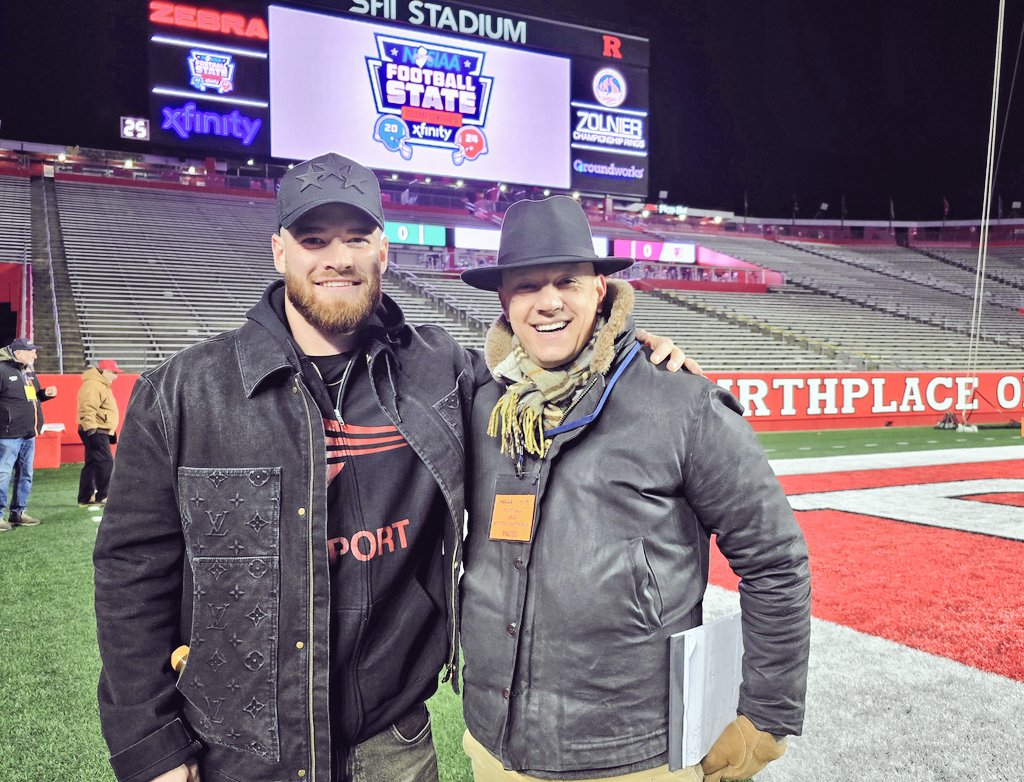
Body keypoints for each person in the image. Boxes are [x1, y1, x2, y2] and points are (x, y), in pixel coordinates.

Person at [92, 152, 692, 782]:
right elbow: (131, 572)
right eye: (314, 239)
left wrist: (628, 353)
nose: (338, 258)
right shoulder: (183, 392)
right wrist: (152, 744)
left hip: (393, 743)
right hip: (237, 749)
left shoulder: (440, 370)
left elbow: (550, 365)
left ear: (383, 251)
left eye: (356, 238)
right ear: (279, 252)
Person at [458, 196, 811, 782]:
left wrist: (766, 721)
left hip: (633, 754)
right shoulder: (484, 405)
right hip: (496, 747)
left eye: (566, 280)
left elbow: (775, 560)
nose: (548, 302)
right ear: (504, 300)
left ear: (599, 289)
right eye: (526, 285)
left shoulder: (681, 401)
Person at [0, 337, 56, 531]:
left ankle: (18, 513)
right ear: (18, 353)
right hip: (8, 435)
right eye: (31, 351)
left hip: (28, 434)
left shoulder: (28, 372)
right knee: (3, 475)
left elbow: (32, 397)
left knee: (26, 474)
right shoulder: (1, 370)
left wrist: (44, 395)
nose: (35, 354)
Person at [77, 358, 123, 507]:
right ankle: (103, 495)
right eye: (114, 373)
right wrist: (91, 430)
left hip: (96, 428)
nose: (116, 376)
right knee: (105, 462)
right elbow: (87, 408)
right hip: (96, 429)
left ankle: (85, 497)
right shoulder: (94, 385)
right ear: (106, 371)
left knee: (92, 463)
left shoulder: (98, 384)